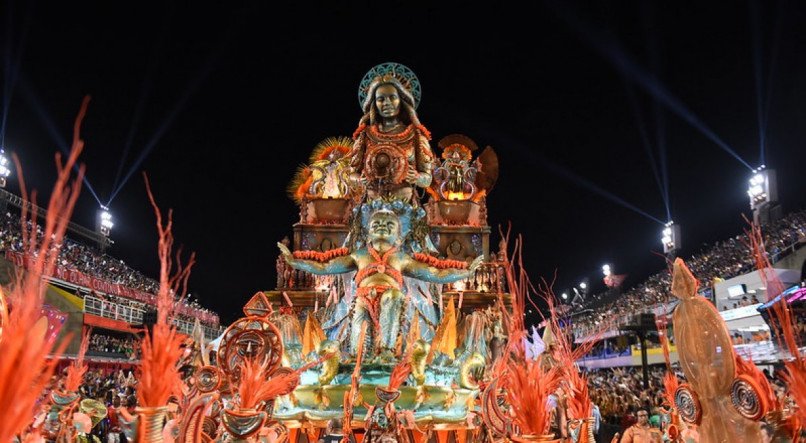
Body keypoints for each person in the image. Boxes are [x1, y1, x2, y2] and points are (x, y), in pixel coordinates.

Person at [279, 209, 481, 359]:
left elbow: (436, 272)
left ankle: (387, 351)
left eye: (388, 224)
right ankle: (361, 359)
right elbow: (325, 266)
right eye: (376, 224)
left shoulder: (402, 258)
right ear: (368, 233)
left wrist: (466, 271)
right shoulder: (359, 256)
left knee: (393, 298)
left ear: (399, 236)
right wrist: (295, 261)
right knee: (360, 341)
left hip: (390, 298)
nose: (382, 226)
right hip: (363, 299)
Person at [350, 72, 434, 201]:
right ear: (374, 103)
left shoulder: (416, 135)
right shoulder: (365, 135)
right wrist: (360, 180)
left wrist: (416, 177)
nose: (387, 103)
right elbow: (351, 175)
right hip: (372, 207)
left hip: (404, 206)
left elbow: (428, 179)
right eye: (381, 99)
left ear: (401, 100)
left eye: (392, 97)